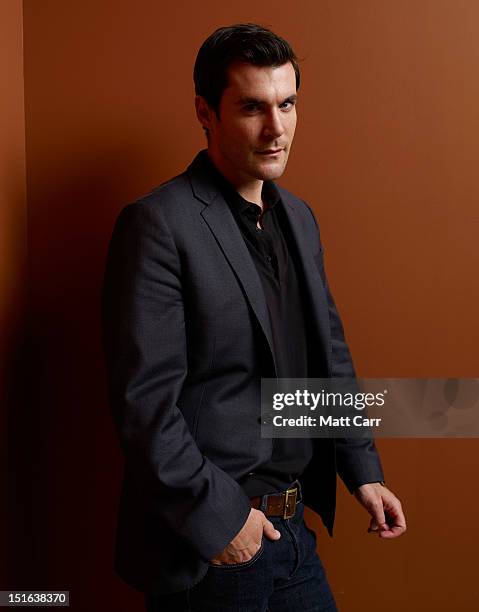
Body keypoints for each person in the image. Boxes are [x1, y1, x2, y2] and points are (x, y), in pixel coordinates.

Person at [102, 23, 406, 612]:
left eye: (287, 104)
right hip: (213, 546)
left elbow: (328, 357)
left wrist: (361, 467)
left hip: (293, 531)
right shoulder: (158, 226)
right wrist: (223, 524)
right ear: (205, 112)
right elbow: (143, 405)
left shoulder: (299, 217)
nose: (276, 128)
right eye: (252, 107)